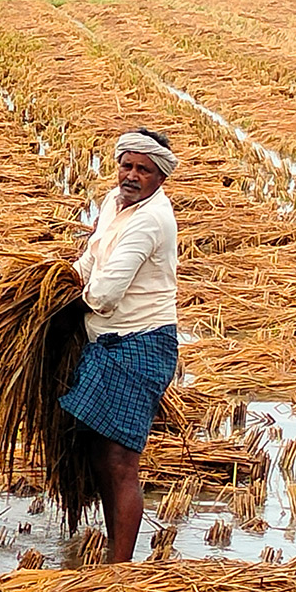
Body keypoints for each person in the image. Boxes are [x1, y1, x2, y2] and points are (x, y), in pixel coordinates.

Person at [60, 128, 179, 563]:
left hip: (141, 344)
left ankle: (119, 569)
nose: (131, 176)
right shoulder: (114, 203)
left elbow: (106, 293)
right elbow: (92, 258)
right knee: (99, 452)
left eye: (143, 170)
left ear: (160, 177)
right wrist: (61, 282)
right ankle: (115, 548)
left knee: (120, 461)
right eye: (126, 165)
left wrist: (71, 302)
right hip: (106, 341)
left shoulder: (152, 221)